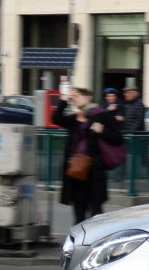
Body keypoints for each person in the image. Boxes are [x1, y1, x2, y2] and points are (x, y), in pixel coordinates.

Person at [52, 87, 122, 223]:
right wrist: (64, 100)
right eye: (74, 97)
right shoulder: (74, 119)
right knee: (79, 213)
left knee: (96, 214)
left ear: (88, 97)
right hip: (77, 171)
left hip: (95, 171)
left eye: (78, 96)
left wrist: (102, 131)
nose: (75, 99)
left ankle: (96, 241)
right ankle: (79, 242)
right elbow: (56, 119)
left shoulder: (102, 116)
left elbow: (117, 138)